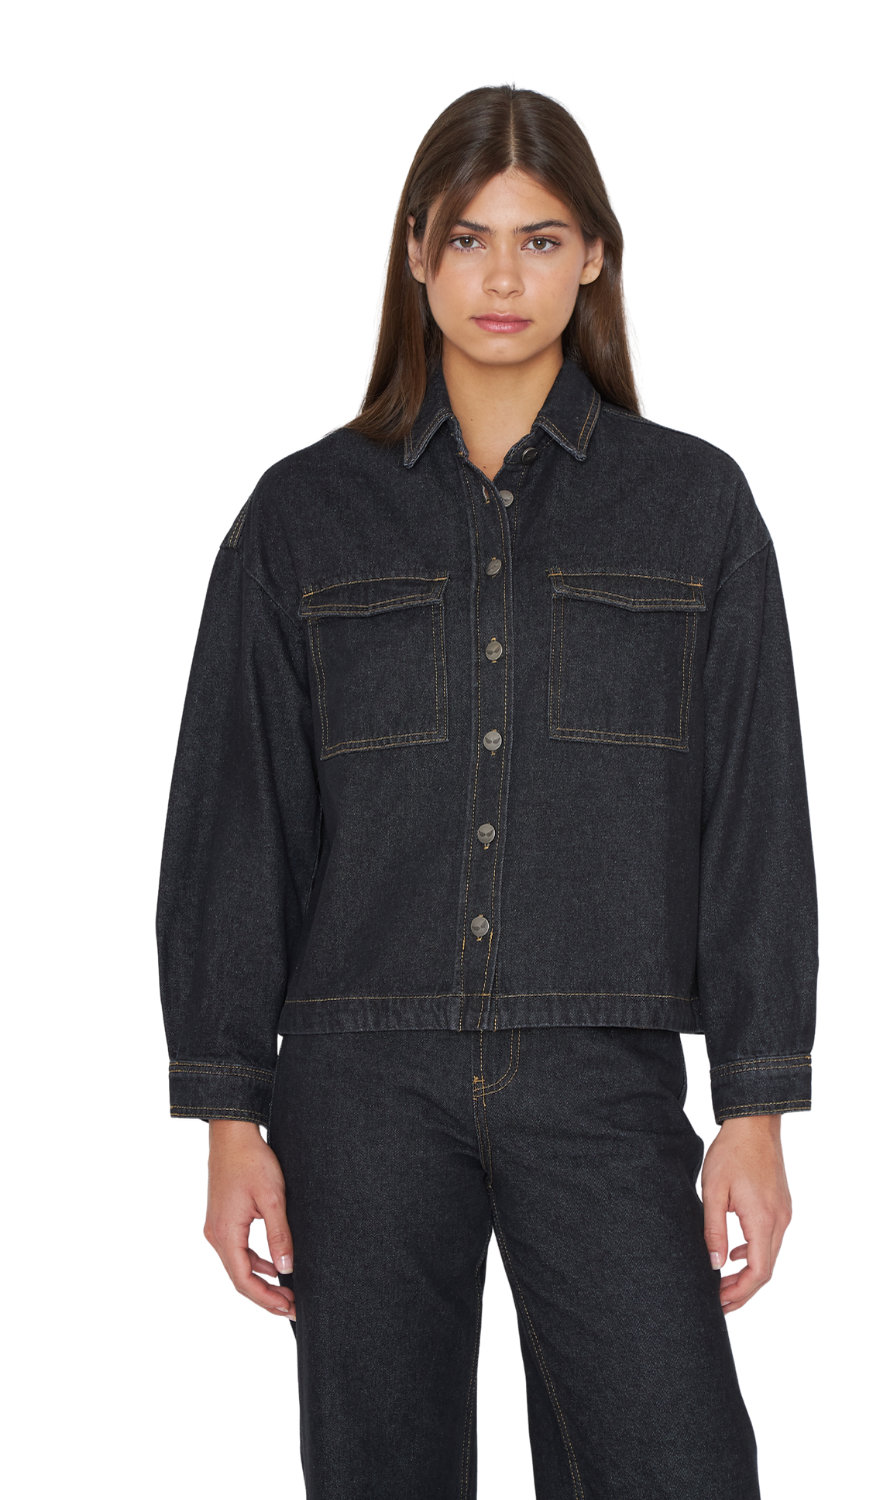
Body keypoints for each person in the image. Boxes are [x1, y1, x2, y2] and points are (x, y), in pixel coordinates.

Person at [157, 84, 817, 1500]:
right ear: (416, 253)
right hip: (361, 1076)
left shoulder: (695, 509)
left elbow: (756, 815)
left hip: (601, 1065)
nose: (502, 278)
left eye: (540, 239)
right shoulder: (303, 517)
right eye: (468, 239)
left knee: (678, 1462)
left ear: (595, 256)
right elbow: (238, 819)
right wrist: (228, 1112)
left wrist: (755, 1105)